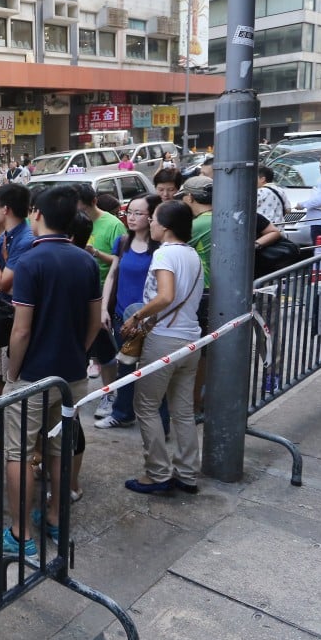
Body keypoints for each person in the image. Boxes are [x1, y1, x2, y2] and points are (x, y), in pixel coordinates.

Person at [0, 184, 100, 559]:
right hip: (72, 378)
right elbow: (95, 324)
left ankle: (20, 534)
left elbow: (21, 329)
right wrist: (75, 354)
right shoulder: (85, 261)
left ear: (37, 215)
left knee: (16, 453)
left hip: (32, 377)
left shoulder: (31, 262)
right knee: (58, 449)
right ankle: (53, 517)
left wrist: (13, 374)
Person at [121, 200, 204, 495]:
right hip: (191, 339)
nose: (151, 223)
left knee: (145, 405)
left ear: (166, 227)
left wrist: (137, 315)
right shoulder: (192, 254)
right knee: (182, 410)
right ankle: (188, 473)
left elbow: (166, 296)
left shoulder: (165, 254)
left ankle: (157, 473)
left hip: (165, 339)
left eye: (154, 219)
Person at [97, 194, 163, 430]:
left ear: (152, 216)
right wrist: (104, 308)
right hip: (121, 317)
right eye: (129, 213)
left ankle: (157, 420)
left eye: (138, 213)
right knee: (124, 367)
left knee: (153, 370)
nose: (131, 218)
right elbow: (112, 275)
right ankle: (123, 413)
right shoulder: (123, 242)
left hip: (150, 320)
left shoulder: (160, 248)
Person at [0, 184, 35, 406]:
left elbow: (2, 283)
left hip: (16, 315)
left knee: (15, 377)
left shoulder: (24, 240)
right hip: (4, 313)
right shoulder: (7, 236)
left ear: (6, 209)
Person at [78, 183, 124, 409]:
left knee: (106, 348)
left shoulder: (113, 225)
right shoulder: (73, 220)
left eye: (83, 209)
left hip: (104, 293)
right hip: (79, 294)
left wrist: (95, 253)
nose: (80, 214)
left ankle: (109, 394)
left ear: (94, 202)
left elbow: (119, 262)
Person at [295, 152, 321, 245]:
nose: (320, 165)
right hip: (320, 222)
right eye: (320, 162)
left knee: (320, 252)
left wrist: (302, 204)